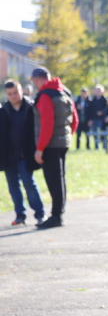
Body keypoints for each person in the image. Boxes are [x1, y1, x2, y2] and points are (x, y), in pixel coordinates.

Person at [30, 67, 78, 229]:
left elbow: (47, 125)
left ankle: (56, 216)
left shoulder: (45, 95)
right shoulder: (64, 92)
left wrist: (40, 148)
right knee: (60, 179)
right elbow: (75, 119)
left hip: (49, 145)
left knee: (53, 181)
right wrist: (66, 136)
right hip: (63, 143)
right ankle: (58, 213)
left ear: (37, 80)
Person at [2, 80, 45, 226]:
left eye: (16, 92)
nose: (14, 96)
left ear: (21, 90)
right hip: (8, 156)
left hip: (25, 155)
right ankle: (20, 214)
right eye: (10, 94)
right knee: (13, 186)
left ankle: (40, 214)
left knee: (29, 184)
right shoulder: (3, 110)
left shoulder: (31, 108)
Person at [87, 84, 107, 150]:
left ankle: (104, 145)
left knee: (102, 133)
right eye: (97, 90)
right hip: (95, 119)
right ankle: (96, 146)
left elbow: (106, 109)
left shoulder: (105, 100)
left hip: (102, 119)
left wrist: (102, 112)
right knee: (95, 133)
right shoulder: (93, 100)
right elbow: (91, 110)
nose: (98, 92)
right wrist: (91, 119)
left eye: (99, 90)